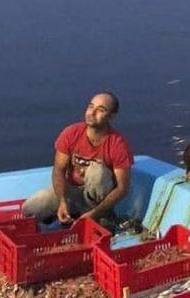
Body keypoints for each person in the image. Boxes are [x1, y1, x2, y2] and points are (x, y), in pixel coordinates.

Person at [22, 92, 133, 225]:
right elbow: (58, 170)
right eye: (91, 107)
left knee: (97, 172)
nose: (92, 112)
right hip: (71, 190)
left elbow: (122, 188)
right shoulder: (71, 133)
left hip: (96, 200)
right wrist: (62, 201)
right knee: (30, 209)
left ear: (111, 116)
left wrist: (94, 213)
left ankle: (100, 216)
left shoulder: (118, 144)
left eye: (101, 110)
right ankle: (69, 214)